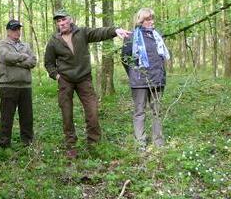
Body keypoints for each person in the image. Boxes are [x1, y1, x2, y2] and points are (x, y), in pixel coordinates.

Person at [44, 9, 130, 159]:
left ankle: (94, 143)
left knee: (92, 111)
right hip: (65, 80)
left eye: (64, 19)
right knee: (67, 113)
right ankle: (71, 145)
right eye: (58, 21)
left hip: (84, 78)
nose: (62, 23)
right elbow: (48, 63)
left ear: (70, 19)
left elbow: (99, 33)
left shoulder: (82, 32)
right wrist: (56, 76)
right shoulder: (54, 41)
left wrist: (115, 30)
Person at [123, 8, 170, 151]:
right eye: (148, 19)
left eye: (152, 19)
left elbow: (161, 58)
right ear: (141, 21)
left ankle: (158, 141)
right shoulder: (131, 37)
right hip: (139, 81)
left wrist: (161, 74)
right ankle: (140, 143)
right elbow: (125, 59)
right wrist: (133, 73)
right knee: (139, 112)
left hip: (157, 79)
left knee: (157, 111)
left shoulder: (157, 36)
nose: (151, 22)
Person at [0, 19, 37, 148]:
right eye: (14, 29)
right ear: (8, 31)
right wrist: (23, 57)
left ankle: (27, 141)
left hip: (25, 86)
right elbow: (6, 57)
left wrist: (17, 60)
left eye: (18, 29)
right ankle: (4, 144)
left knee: (27, 116)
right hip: (8, 85)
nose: (17, 32)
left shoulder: (26, 45)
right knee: (7, 117)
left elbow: (33, 62)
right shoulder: (2, 44)